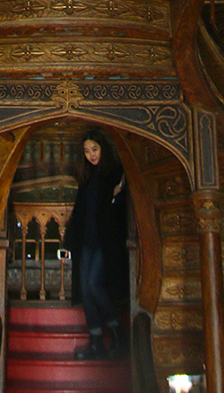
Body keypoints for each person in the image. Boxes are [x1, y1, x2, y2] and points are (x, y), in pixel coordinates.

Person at [64, 130, 129, 359]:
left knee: (94, 283)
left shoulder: (114, 173)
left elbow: (121, 207)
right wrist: (70, 241)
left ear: (103, 148)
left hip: (106, 241)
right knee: (85, 289)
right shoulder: (86, 176)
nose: (91, 155)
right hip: (86, 241)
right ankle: (96, 343)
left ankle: (118, 333)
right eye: (87, 151)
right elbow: (80, 210)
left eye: (95, 149)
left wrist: (120, 194)